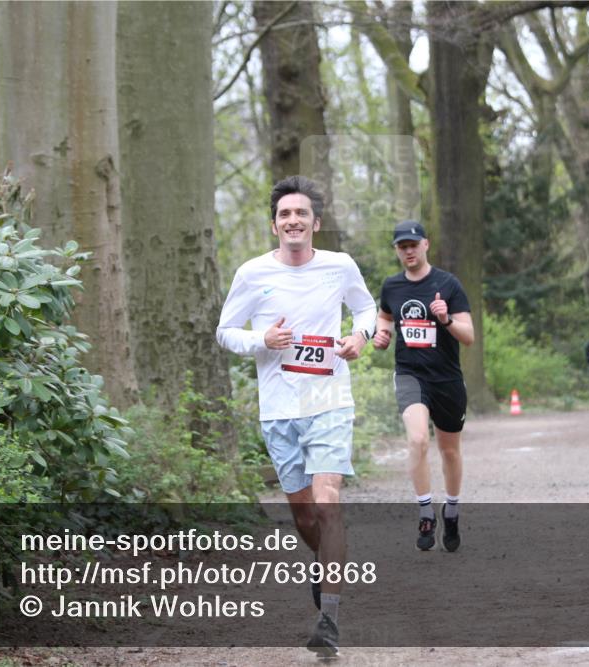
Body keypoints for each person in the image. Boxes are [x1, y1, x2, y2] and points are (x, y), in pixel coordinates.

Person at [216, 176, 376, 656]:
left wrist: (360, 338)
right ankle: (323, 565)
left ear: (316, 224)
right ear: (274, 226)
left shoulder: (339, 266)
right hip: (279, 409)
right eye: (285, 215)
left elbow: (366, 310)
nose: (293, 221)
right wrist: (260, 341)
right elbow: (225, 331)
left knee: (328, 503)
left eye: (301, 214)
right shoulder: (251, 274)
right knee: (304, 514)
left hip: (328, 401)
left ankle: (329, 618)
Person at [373, 220, 474, 552]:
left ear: (426, 245)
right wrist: (382, 333)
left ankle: (453, 509)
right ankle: (425, 511)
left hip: (446, 378)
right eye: (402, 247)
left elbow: (469, 336)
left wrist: (445, 319)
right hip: (410, 374)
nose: (408, 251)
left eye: (413, 245)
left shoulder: (448, 284)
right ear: (397, 251)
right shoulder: (392, 286)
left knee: (449, 450)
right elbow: (385, 315)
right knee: (417, 440)